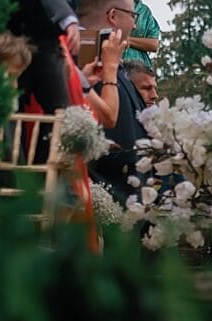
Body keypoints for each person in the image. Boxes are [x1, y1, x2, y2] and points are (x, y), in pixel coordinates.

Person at [84, 0, 150, 202]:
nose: (135, 25)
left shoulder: (114, 66)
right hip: (109, 194)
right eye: (133, 16)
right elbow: (108, 122)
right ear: (113, 16)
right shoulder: (90, 66)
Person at [121, 0, 160, 69]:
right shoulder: (110, 5)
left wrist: (127, 40)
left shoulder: (145, 11)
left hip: (140, 67)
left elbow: (154, 45)